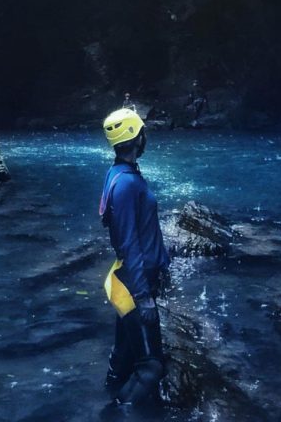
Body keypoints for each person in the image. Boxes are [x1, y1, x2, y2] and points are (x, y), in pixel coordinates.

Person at [99, 105, 170, 408]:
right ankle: (114, 413)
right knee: (151, 367)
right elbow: (129, 243)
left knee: (124, 356)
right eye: (142, 131)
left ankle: (105, 395)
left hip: (130, 278)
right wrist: (144, 296)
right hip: (132, 283)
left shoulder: (121, 174)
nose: (145, 136)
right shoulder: (127, 184)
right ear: (136, 137)